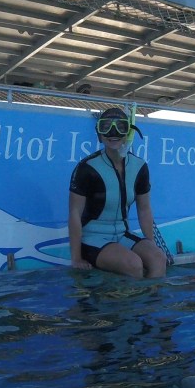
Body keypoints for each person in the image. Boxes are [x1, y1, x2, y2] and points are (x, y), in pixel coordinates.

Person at [68, 107, 167, 278]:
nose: (112, 132)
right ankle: (130, 303)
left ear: (128, 133)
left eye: (120, 127)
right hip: (92, 238)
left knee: (158, 258)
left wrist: (150, 244)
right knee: (133, 264)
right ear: (99, 134)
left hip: (122, 234)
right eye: (106, 126)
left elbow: (144, 209)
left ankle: (151, 303)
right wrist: (76, 258)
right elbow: (74, 213)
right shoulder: (87, 167)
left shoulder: (139, 166)